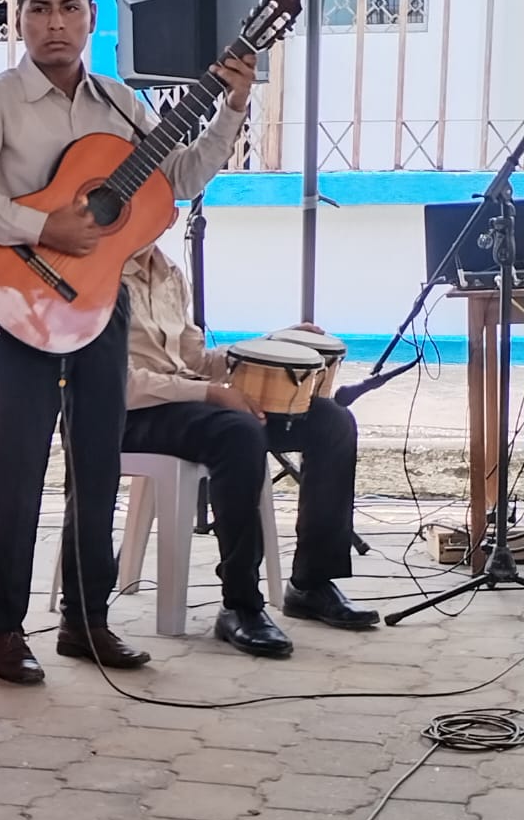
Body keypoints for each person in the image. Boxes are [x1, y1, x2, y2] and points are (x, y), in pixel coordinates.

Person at [0, 0, 257, 685]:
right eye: (40, 8)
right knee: (16, 471)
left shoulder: (118, 103)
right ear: (19, 19)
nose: (55, 23)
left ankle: (87, 620)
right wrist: (40, 226)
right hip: (23, 304)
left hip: (104, 306)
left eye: (69, 8)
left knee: (98, 467)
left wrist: (232, 107)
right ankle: (2, 628)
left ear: (91, 18)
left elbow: (178, 179)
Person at [122, 241, 380, 655]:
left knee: (332, 422)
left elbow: (196, 361)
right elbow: (121, 383)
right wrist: (210, 393)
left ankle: (311, 583)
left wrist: (275, 342)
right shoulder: (100, 275)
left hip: (189, 403)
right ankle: (240, 603)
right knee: (239, 432)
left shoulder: (168, 272)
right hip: (132, 415)